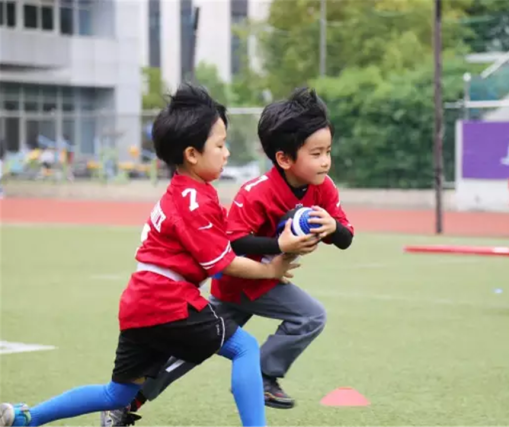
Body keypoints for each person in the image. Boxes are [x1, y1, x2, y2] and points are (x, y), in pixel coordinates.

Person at [0, 83, 299, 427]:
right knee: (244, 348)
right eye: (220, 144)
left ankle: (26, 418)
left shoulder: (182, 193)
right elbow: (223, 264)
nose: (226, 152)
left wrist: (272, 246)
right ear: (192, 154)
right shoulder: (195, 200)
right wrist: (272, 270)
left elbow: (224, 242)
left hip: (140, 304)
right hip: (168, 302)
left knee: (118, 395)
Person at [101, 87, 355, 426]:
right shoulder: (255, 193)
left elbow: (347, 238)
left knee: (308, 318)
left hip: (267, 279)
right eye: (316, 153)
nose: (325, 160)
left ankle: (263, 373)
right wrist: (282, 246)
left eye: (327, 151)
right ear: (284, 158)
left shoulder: (324, 188)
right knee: (185, 357)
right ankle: (130, 400)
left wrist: (332, 228)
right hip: (236, 281)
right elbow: (233, 243)